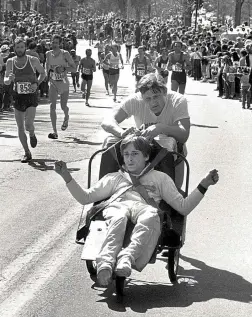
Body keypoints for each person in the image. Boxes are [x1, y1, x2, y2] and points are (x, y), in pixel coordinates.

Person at [54, 134, 219, 286]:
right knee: (118, 217)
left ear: (146, 156)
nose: (130, 159)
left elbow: (184, 207)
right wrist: (66, 176)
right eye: (126, 154)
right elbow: (85, 198)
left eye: (135, 154)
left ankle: (127, 257)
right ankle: (105, 262)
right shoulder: (115, 177)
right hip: (118, 206)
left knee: (151, 216)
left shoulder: (160, 178)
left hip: (145, 208)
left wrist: (204, 184)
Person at [101, 73, 190, 188]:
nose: (153, 102)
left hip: (172, 153)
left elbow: (184, 135)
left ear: (165, 92)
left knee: (175, 197)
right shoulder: (135, 100)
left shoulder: (178, 100)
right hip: (142, 151)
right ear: (141, 97)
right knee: (110, 142)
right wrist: (121, 132)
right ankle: (105, 193)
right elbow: (107, 121)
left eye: (156, 96)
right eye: (148, 99)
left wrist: (161, 127)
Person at [4, 38, 46, 162]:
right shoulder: (10, 62)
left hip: (31, 95)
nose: (20, 50)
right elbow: (6, 80)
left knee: (28, 125)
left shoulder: (33, 60)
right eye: (17, 47)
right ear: (14, 48)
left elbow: (43, 74)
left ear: (25, 48)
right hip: (18, 96)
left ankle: (32, 134)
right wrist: (9, 79)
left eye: (22, 47)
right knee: (20, 127)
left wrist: (36, 84)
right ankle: (27, 152)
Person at [45, 34, 76, 140]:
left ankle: (66, 116)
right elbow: (47, 66)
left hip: (63, 82)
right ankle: (55, 132)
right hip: (53, 82)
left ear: (60, 44)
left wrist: (64, 69)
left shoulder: (65, 53)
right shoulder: (48, 54)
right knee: (52, 106)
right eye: (53, 42)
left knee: (63, 106)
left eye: (56, 43)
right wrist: (47, 75)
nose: (54, 45)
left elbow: (74, 68)